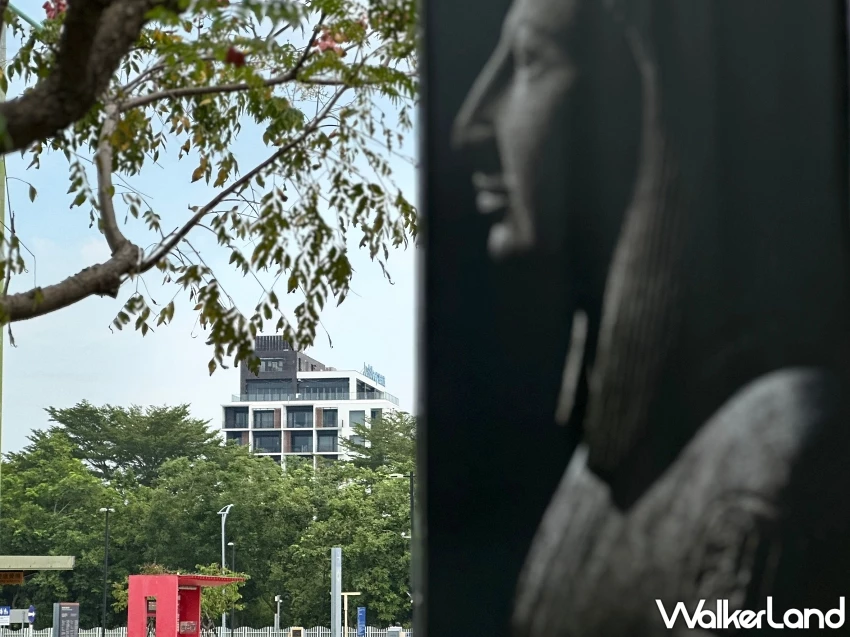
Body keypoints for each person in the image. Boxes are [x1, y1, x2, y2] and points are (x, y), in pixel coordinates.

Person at [453, 0, 850, 634]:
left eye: (531, 60)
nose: (471, 124)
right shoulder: (588, 480)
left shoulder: (784, 455)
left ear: (641, 95)